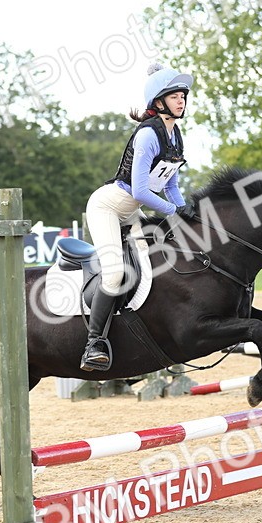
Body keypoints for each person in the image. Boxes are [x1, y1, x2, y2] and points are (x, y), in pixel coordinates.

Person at [79, 63, 194, 372]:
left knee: (158, 261)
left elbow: (169, 183)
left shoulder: (174, 135)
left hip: (129, 211)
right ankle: (94, 344)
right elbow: (142, 191)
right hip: (108, 207)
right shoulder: (148, 135)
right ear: (158, 101)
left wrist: (185, 211)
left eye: (183, 95)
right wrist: (173, 210)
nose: (181, 100)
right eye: (174, 96)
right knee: (116, 273)